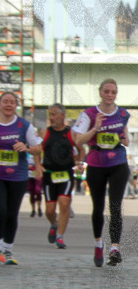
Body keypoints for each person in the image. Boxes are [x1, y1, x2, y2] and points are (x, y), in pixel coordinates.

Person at [72, 78, 131, 267]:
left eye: (113, 92)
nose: (110, 95)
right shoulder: (89, 114)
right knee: (97, 207)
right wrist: (96, 128)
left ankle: (115, 247)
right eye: (106, 91)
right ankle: (98, 243)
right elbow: (79, 140)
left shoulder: (122, 113)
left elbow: (125, 137)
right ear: (100, 92)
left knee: (115, 206)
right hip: (96, 163)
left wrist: (124, 139)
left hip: (118, 163)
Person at [0, 91, 43, 265]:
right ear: (0, 104)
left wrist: (25, 147)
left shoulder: (24, 126)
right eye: (5, 101)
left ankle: (8, 250)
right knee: (0, 210)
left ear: (16, 105)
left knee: (11, 214)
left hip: (18, 176)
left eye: (12, 102)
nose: (9, 105)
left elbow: (39, 147)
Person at [41, 103, 85, 249]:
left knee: (64, 204)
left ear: (62, 115)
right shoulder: (44, 133)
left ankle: (60, 237)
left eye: (54, 114)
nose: (51, 117)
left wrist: (80, 162)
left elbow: (81, 149)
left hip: (66, 174)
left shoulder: (71, 133)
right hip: (49, 175)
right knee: (49, 210)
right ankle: (54, 224)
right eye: (50, 114)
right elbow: (35, 148)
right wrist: (37, 165)